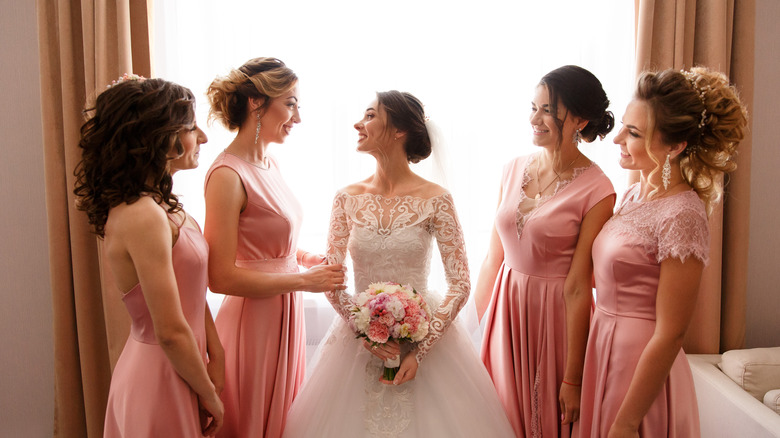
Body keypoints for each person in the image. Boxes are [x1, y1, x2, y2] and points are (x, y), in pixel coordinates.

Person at [282, 91, 515, 437]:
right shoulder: (347, 198)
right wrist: (365, 330)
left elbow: (460, 284)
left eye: (370, 115)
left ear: (398, 131)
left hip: (426, 342)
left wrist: (418, 352)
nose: (358, 124)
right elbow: (332, 277)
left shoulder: (437, 200)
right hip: (358, 342)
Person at [575, 67, 748, 438]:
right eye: (623, 125)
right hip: (603, 345)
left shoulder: (683, 213)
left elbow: (671, 333)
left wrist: (626, 422)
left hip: (639, 365)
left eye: (634, 133)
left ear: (675, 147)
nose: (617, 137)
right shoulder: (634, 194)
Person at [73, 75, 224, 437]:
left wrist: (216, 355)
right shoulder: (142, 214)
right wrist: (209, 395)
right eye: (191, 127)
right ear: (159, 137)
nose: (202, 137)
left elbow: (192, 292)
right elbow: (170, 330)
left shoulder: (166, 208)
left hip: (184, 366)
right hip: (159, 375)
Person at [203, 57, 346, 438]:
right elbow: (220, 277)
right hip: (254, 323)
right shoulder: (226, 175)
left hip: (284, 314)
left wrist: (304, 258)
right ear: (256, 103)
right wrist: (303, 281)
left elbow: (270, 243)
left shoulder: (271, 164)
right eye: (291, 103)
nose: (297, 117)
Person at [476, 65, 616, 437]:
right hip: (505, 314)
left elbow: (577, 286)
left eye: (548, 110)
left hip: (554, 320)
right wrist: (473, 329)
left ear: (580, 120)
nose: (534, 118)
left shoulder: (599, 190)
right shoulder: (511, 170)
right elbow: (493, 259)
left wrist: (572, 379)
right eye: (533, 107)